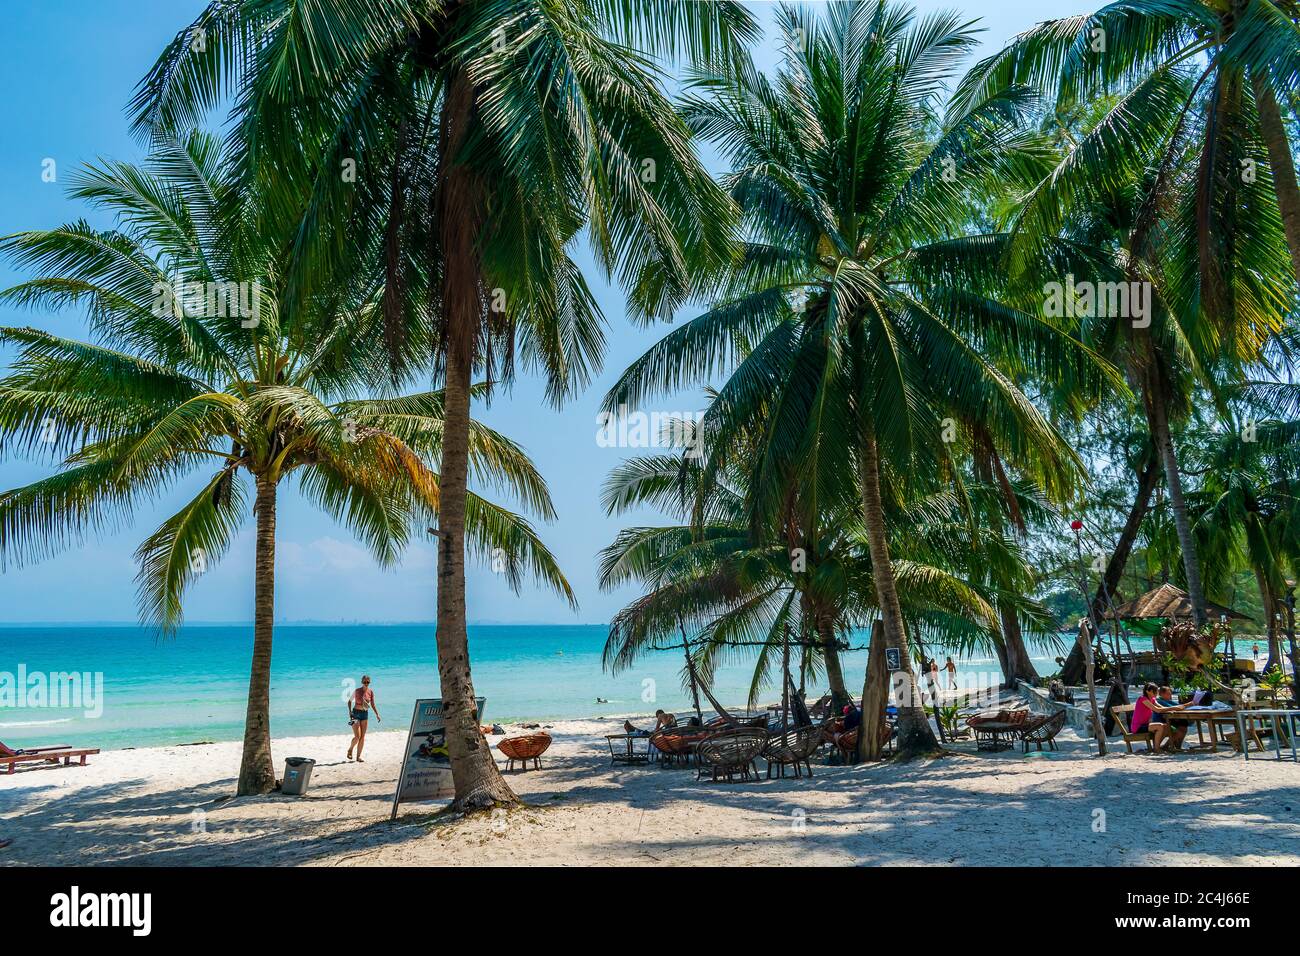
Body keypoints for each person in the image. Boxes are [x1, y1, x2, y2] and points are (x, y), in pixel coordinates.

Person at [347, 675, 380, 761]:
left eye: (368, 682)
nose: (366, 683)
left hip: (365, 714)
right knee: (357, 736)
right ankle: (350, 749)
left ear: (369, 682)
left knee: (363, 737)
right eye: (364, 682)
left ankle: (358, 757)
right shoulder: (357, 691)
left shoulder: (370, 692)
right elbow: (349, 701)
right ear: (362, 682)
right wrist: (350, 712)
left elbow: (372, 704)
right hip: (355, 714)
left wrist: (377, 714)